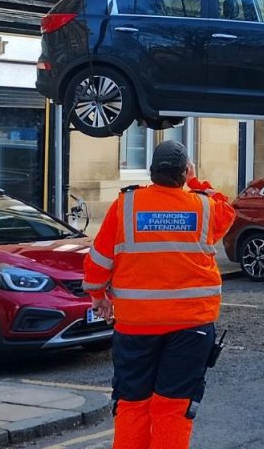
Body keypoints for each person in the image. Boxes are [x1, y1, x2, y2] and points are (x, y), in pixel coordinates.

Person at [84, 140, 235, 449]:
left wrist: (98, 295)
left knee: (132, 403)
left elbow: (99, 259)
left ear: (151, 173)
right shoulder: (205, 207)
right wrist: (196, 182)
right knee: (174, 407)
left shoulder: (125, 204)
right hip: (190, 326)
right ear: (185, 173)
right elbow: (227, 209)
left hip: (136, 325)